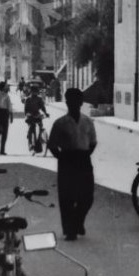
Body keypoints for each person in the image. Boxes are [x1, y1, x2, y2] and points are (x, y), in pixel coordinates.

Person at [47, 87, 98, 241]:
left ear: (81, 103)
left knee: (87, 196)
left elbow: (93, 142)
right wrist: (62, 158)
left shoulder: (88, 122)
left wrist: (85, 155)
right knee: (67, 197)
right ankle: (70, 230)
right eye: (70, 101)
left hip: (83, 159)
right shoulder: (60, 123)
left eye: (77, 101)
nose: (73, 104)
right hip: (67, 159)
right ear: (67, 102)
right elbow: (52, 144)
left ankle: (78, 221)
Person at [24, 84, 49, 152]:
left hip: (37, 115)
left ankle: (40, 140)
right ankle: (30, 143)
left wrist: (45, 113)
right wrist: (28, 114)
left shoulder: (39, 99)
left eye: (36, 91)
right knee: (31, 128)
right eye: (34, 91)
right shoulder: (28, 99)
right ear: (31, 91)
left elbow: (42, 107)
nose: (35, 93)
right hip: (30, 116)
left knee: (40, 127)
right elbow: (26, 110)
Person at [0, 81, 14, 155]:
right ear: (3, 88)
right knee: (4, 132)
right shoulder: (6, 96)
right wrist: (11, 115)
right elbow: (9, 106)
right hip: (4, 114)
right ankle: (2, 150)